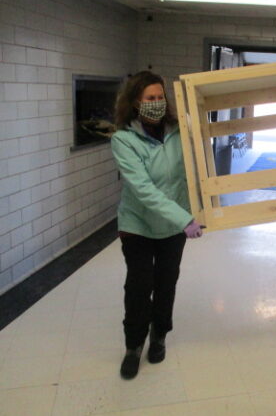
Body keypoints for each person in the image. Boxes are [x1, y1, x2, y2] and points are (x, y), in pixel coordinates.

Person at [111, 70, 203, 380]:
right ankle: (133, 345)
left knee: (166, 282)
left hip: (172, 226)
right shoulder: (123, 140)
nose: (157, 102)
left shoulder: (179, 132)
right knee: (139, 285)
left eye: (160, 96)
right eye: (150, 98)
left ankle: (159, 334)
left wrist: (200, 210)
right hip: (138, 224)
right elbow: (144, 190)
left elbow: (194, 172)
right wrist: (184, 218)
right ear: (136, 102)